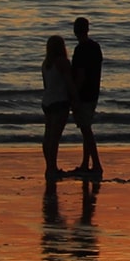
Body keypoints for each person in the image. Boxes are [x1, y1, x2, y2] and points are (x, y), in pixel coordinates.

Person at [70, 16, 104, 179]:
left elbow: (80, 75)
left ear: (75, 30)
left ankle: (96, 164)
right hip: (93, 91)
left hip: (83, 93)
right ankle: (86, 163)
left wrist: (74, 95)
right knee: (86, 128)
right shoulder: (95, 47)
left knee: (86, 129)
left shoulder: (81, 49)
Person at [41, 34, 74, 179]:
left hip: (47, 101)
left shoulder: (46, 64)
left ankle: (49, 166)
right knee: (55, 137)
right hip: (60, 102)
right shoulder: (62, 62)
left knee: (48, 136)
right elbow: (69, 83)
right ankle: (52, 168)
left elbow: (46, 85)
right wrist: (75, 100)